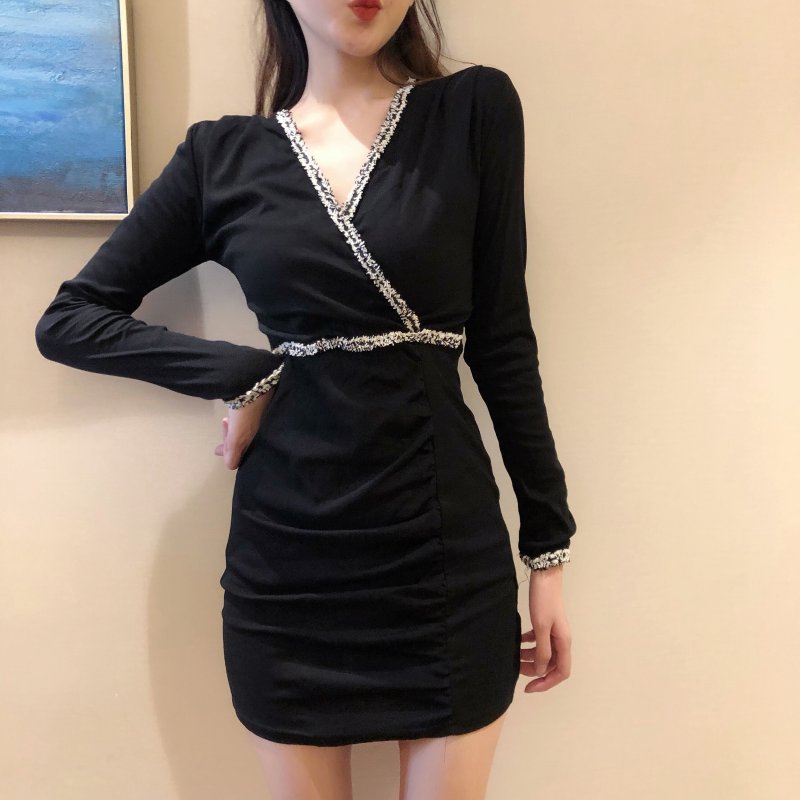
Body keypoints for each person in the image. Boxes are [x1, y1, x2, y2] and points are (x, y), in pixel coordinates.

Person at [34, 0, 578, 797]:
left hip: (442, 563)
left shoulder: (472, 110)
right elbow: (71, 320)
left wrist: (549, 553)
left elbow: (503, 342)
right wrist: (239, 373)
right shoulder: (222, 157)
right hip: (288, 572)